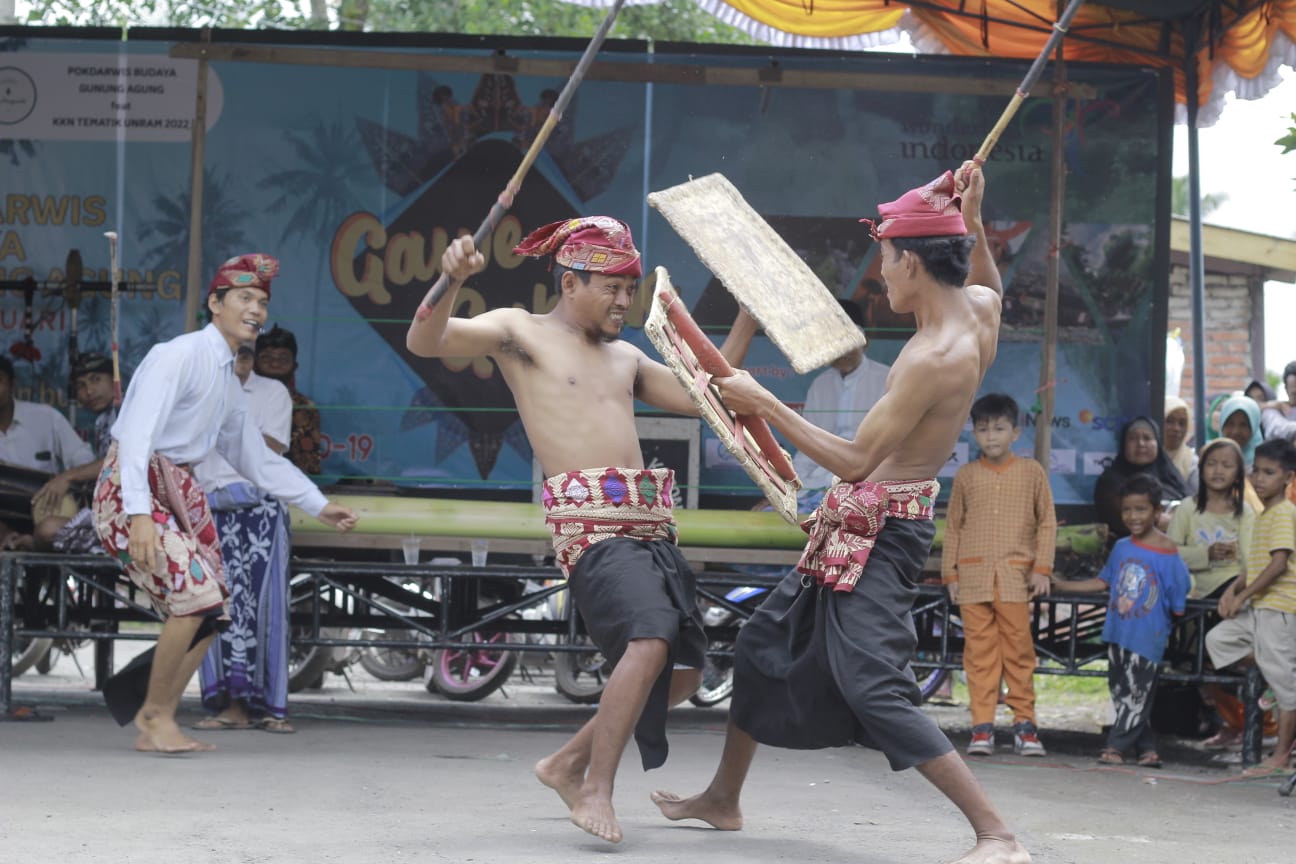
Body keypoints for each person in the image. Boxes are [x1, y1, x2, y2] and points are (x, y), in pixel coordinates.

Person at [652, 164, 1033, 864]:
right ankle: (724, 798)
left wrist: (763, 403)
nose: (879, 272)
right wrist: (973, 213)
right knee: (765, 643)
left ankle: (997, 833)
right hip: (854, 524)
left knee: (875, 688)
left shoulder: (930, 356)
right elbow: (987, 276)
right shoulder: (978, 310)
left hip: (881, 531)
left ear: (911, 260)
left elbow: (856, 461)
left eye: (885, 257)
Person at [406, 217, 751, 845]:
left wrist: (748, 319)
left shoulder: (627, 358)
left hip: (651, 531)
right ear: (570, 281)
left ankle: (565, 762)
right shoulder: (520, 332)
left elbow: (710, 399)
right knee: (648, 644)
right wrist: (449, 281)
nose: (626, 302)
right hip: (592, 531)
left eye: (631, 289)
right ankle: (595, 783)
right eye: (613, 289)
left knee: (681, 675)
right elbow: (428, 340)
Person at [93, 253, 357, 754]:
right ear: (215, 304)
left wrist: (319, 504)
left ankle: (159, 714)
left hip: (179, 494)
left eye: (260, 301)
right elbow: (135, 437)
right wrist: (140, 515)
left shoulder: (227, 382)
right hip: (137, 489)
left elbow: (256, 459)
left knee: (216, 607)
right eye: (244, 298)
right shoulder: (179, 355)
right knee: (195, 597)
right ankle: (153, 716)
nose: (255, 309)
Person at [942, 393, 1055, 758]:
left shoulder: (1032, 472)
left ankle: (1025, 725)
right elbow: (954, 528)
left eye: (999, 428)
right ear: (974, 433)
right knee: (979, 655)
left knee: (1019, 653)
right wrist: (950, 574)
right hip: (972, 580)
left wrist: (1042, 569)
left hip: (1015, 579)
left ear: (1016, 432)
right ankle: (982, 727)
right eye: (983, 429)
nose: (991, 436)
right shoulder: (965, 476)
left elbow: (1047, 523)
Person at [193, 343, 298, 734]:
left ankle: (273, 708)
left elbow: (268, 450)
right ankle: (230, 705)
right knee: (217, 610)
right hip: (209, 514)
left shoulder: (272, 393)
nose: (239, 363)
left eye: (245, 355)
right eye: (232, 355)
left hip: (260, 512)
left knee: (267, 611)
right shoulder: (196, 395)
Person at [1055, 474, 1191, 767]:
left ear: (1157, 512)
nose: (1133, 516)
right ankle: (1148, 748)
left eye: (1141, 509)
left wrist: (1175, 612)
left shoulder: (1167, 550)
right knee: (1121, 691)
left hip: (1148, 636)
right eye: (1127, 509)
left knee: (1138, 693)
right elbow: (1103, 583)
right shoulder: (1121, 548)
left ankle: (1115, 746)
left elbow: (1180, 587)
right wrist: (1064, 586)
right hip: (1117, 632)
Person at [1206, 437, 1296, 777]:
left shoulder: (1285, 513)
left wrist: (1243, 597)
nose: (1259, 479)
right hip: (1259, 609)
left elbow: (1279, 565)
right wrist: (1234, 589)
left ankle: (1280, 759)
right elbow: (1256, 566)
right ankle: (1278, 674)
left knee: (1287, 689)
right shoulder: (1264, 514)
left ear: (1288, 478)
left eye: (1269, 472)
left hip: (1280, 608)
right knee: (1218, 641)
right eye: (1255, 471)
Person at [790, 297, 890, 505]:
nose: (840, 350)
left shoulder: (887, 380)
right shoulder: (820, 385)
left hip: (870, 484)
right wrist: (786, 492)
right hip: (818, 483)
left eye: (846, 340)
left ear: (865, 340)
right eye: (832, 342)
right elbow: (808, 447)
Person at [0, 354, 96, 546]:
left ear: (12, 384)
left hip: (48, 522)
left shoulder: (45, 418)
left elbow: (84, 459)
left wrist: (66, 478)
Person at [1167, 438, 1255, 602]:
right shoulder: (1187, 508)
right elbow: (1169, 553)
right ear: (1201, 470)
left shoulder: (1245, 512)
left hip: (1233, 583)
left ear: (1237, 475)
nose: (1218, 470)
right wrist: (1206, 554)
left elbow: (1249, 559)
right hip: (1194, 586)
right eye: (1211, 464)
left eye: (1227, 465)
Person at [1092, 417, 1190, 540]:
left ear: (1158, 444)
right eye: (1133, 438)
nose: (1141, 444)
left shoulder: (1171, 477)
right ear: (1124, 444)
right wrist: (1163, 520)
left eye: (1147, 438)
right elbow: (1126, 520)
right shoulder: (1110, 482)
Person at [254, 324, 323, 475]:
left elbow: (309, 465)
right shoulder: (240, 397)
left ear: (294, 365)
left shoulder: (304, 408)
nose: (275, 363)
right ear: (254, 362)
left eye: (283, 359)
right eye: (267, 358)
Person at [1217, 394, 1267, 513]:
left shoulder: (1266, 465)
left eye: (1243, 425)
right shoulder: (1210, 459)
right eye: (1230, 423)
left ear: (1254, 427)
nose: (1235, 431)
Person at [1163, 395, 1196, 486]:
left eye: (1182, 423)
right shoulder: (1145, 457)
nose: (1176, 428)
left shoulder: (1192, 463)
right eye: (1169, 421)